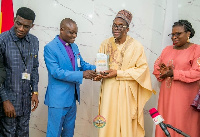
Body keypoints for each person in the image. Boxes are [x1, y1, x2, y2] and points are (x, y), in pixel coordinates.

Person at [95, 10, 153, 137]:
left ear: (127, 29)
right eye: (114, 25)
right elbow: (100, 65)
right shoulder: (105, 43)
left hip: (126, 92)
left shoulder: (137, 46)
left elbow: (142, 70)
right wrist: (98, 74)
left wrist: (118, 73)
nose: (116, 28)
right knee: (107, 117)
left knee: (124, 121)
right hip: (108, 91)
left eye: (120, 25)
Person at [44, 18, 97, 137]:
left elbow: (81, 64)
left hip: (72, 98)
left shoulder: (74, 46)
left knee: (69, 133)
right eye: (71, 32)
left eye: (76, 33)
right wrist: (82, 74)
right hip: (58, 100)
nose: (74, 36)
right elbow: (56, 72)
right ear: (61, 30)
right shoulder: (50, 48)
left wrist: (98, 69)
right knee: (54, 133)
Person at [153, 20, 200, 137]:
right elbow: (156, 68)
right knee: (164, 122)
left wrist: (174, 73)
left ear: (188, 33)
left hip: (185, 99)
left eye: (178, 34)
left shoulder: (196, 50)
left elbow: (197, 72)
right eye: (172, 34)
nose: (174, 37)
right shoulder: (167, 50)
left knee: (182, 125)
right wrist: (163, 72)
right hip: (166, 96)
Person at [0, 7, 39, 136]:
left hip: (25, 102)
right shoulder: (3, 40)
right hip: (9, 102)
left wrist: (35, 91)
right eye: (19, 24)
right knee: (8, 134)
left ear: (32, 26)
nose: (21, 29)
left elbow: (34, 68)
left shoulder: (34, 41)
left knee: (23, 134)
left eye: (26, 26)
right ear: (14, 20)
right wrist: (5, 101)